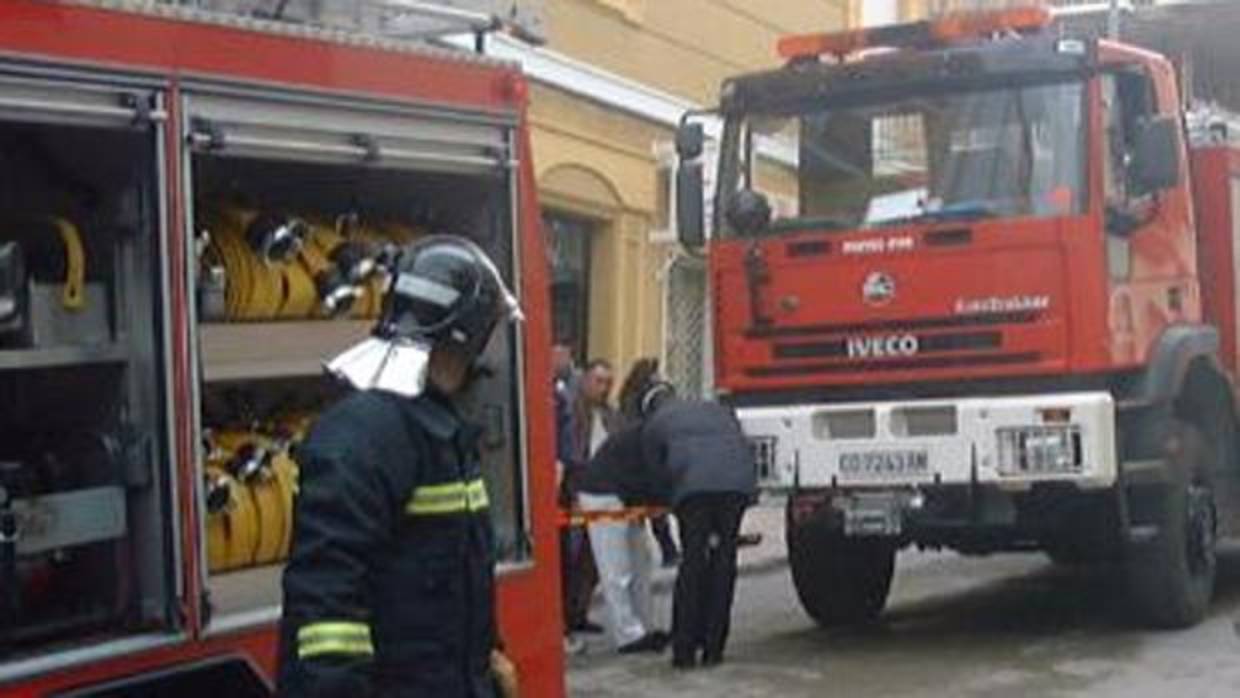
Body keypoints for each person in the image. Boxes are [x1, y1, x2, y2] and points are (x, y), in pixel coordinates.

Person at [277, 235, 522, 697]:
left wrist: (488, 659)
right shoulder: (363, 436)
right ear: (469, 332)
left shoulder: (440, 428)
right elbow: (327, 612)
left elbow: (455, 575)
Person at [636, 381, 757, 670]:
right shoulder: (716, 409)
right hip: (736, 487)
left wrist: (670, 503)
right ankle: (714, 648)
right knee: (724, 563)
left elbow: (655, 475)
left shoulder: (655, 424)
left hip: (694, 491)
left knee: (692, 565)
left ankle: (685, 650)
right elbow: (739, 444)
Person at [576, 423, 666, 654]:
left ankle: (644, 627)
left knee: (641, 561)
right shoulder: (655, 439)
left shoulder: (650, 434)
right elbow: (656, 477)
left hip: (624, 493)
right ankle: (627, 635)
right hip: (602, 494)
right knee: (615, 568)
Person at [617, 358, 680, 568]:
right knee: (657, 507)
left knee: (639, 510)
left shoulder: (628, 395)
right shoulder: (655, 394)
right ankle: (668, 551)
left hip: (632, 456)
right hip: (650, 456)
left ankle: (635, 554)